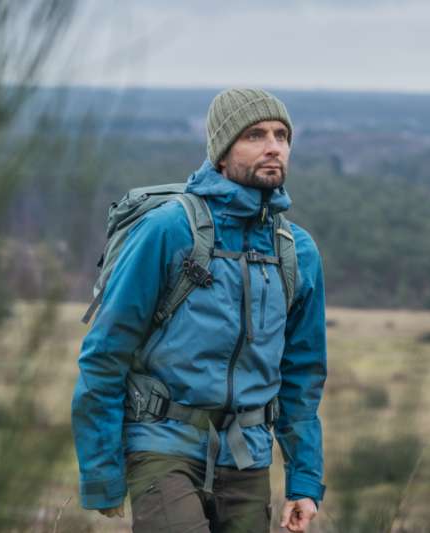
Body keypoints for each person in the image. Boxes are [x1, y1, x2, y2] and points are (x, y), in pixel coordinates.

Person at [71, 88, 327, 533]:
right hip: (161, 444)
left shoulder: (296, 251)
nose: (273, 146)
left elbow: (302, 376)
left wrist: (303, 481)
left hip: (247, 453)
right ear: (223, 151)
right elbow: (105, 352)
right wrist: (102, 474)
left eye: (282, 135)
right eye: (255, 135)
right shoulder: (170, 229)